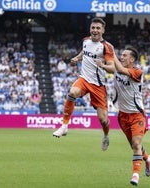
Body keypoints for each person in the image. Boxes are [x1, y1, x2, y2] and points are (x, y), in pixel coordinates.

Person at [52, 17, 115, 151]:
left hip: (98, 85)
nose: (95, 30)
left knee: (103, 120)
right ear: (90, 29)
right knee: (72, 93)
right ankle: (64, 126)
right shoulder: (85, 41)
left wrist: (102, 65)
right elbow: (84, 52)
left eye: (98, 28)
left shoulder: (107, 47)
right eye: (93, 27)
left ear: (103, 30)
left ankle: (106, 135)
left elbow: (113, 68)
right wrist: (77, 58)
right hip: (84, 79)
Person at [97, 47, 150, 186]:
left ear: (132, 59)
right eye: (120, 55)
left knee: (136, 144)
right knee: (134, 146)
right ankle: (148, 158)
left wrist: (112, 52)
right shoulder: (118, 68)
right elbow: (113, 69)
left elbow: (120, 70)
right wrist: (102, 65)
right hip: (122, 115)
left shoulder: (137, 72)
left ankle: (135, 175)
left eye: (125, 55)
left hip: (137, 115)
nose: (121, 57)